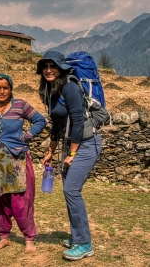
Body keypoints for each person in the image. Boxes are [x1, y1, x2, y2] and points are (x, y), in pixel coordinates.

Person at [36, 51, 102, 261]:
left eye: (53, 66)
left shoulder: (70, 87)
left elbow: (77, 121)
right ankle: (77, 237)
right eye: (45, 66)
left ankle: (84, 244)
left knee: (71, 190)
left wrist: (72, 153)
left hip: (85, 143)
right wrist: (50, 152)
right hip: (70, 145)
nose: (48, 69)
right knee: (69, 192)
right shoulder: (51, 91)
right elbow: (57, 125)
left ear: (61, 68)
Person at [0, 72, 46, 253]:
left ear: (11, 89)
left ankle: (29, 238)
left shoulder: (20, 105)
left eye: (5, 87)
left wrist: (26, 136)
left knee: (21, 202)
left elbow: (40, 120)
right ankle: (3, 236)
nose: (2, 91)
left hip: (17, 161)